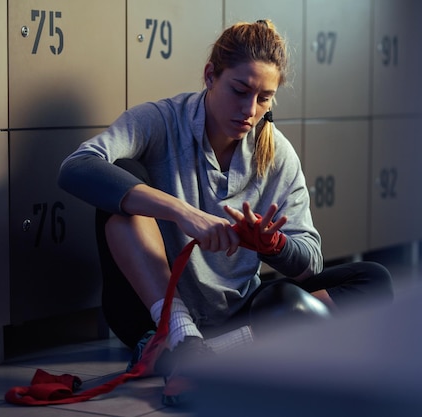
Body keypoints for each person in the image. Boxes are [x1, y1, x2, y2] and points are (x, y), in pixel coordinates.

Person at [58, 20, 392, 405]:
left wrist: (272, 245)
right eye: (240, 90)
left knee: (372, 279)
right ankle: (180, 336)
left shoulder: (277, 153)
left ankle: (198, 355)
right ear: (210, 76)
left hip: (233, 314)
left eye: (264, 98)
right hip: (152, 314)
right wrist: (181, 213)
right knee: (122, 182)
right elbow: (76, 167)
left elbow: (310, 263)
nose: (250, 110)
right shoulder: (161, 120)